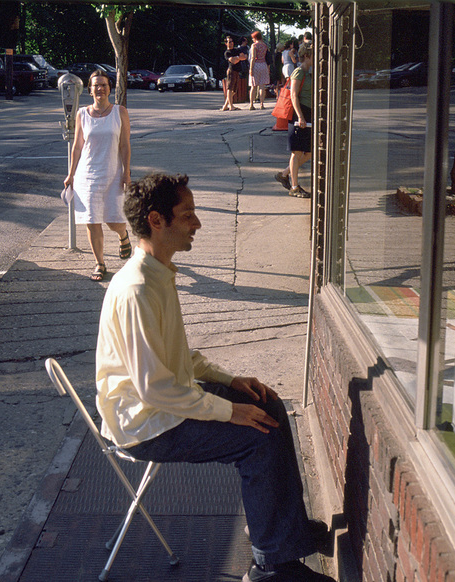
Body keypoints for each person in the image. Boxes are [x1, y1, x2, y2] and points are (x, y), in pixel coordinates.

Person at [96, 172, 334, 582]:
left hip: (166, 403)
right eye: (187, 214)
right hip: (146, 422)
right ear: (156, 220)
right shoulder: (136, 288)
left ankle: (281, 530)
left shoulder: (158, 272)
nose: (197, 223)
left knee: (267, 405)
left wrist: (231, 381)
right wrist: (228, 412)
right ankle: (272, 566)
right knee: (256, 434)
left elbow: (177, 356)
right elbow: (155, 387)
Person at [64, 69, 132, 282]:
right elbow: (77, 147)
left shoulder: (120, 112)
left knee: (113, 220)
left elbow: (125, 145)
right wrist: (71, 174)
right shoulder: (82, 114)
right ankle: (100, 263)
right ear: (90, 90)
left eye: (103, 85)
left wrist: (126, 172)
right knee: (92, 221)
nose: (100, 88)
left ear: (109, 88)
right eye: (96, 86)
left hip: (112, 174)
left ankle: (123, 236)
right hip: (87, 176)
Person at [274, 46, 314, 198]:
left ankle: (284, 174)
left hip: (307, 114)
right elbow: (294, 96)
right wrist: (301, 116)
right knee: (296, 152)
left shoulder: (310, 73)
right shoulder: (299, 72)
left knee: (309, 152)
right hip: (299, 115)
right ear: (307, 55)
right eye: (314, 55)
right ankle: (294, 187)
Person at [220, 35, 245, 111]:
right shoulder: (227, 52)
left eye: (232, 41)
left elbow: (244, 57)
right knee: (230, 88)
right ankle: (231, 106)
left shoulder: (237, 50)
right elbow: (233, 61)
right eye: (229, 42)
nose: (231, 43)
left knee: (234, 91)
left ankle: (225, 106)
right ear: (226, 43)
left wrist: (237, 58)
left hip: (237, 71)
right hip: (231, 71)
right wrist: (238, 58)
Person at [248, 30, 271, 110]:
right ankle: (262, 104)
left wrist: (250, 68)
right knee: (262, 86)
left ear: (255, 37)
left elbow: (253, 58)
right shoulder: (265, 46)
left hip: (256, 65)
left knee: (253, 86)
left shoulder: (254, 45)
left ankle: (251, 104)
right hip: (263, 65)